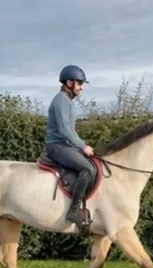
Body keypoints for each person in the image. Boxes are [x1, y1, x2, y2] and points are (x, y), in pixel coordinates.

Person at [45, 65, 96, 228]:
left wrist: (83, 145)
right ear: (69, 82)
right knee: (87, 169)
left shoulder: (67, 101)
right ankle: (73, 211)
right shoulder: (60, 100)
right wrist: (83, 146)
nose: (81, 88)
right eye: (79, 83)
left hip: (65, 145)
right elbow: (65, 131)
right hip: (57, 146)